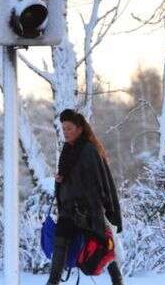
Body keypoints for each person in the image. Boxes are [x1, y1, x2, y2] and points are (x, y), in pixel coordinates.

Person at [47, 109, 124, 285]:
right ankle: (52, 282)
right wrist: (60, 180)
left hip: (89, 210)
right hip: (69, 210)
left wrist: (103, 210)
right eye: (63, 129)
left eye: (69, 128)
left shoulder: (88, 150)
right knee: (60, 243)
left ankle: (118, 281)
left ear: (80, 129)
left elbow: (98, 182)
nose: (66, 132)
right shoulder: (68, 149)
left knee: (103, 244)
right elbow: (70, 176)